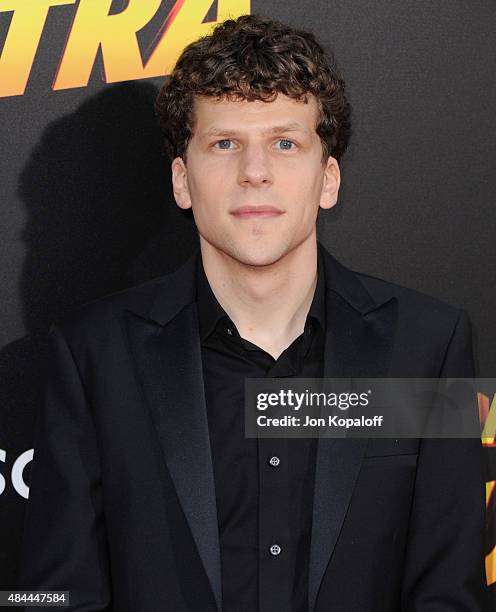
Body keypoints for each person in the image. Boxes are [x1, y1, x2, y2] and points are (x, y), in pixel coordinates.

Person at [18, 13, 488, 612]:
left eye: (285, 143)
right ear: (182, 181)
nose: (255, 172)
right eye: (225, 143)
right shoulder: (94, 354)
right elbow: (52, 597)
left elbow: (450, 595)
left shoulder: (428, 346)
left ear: (329, 178)